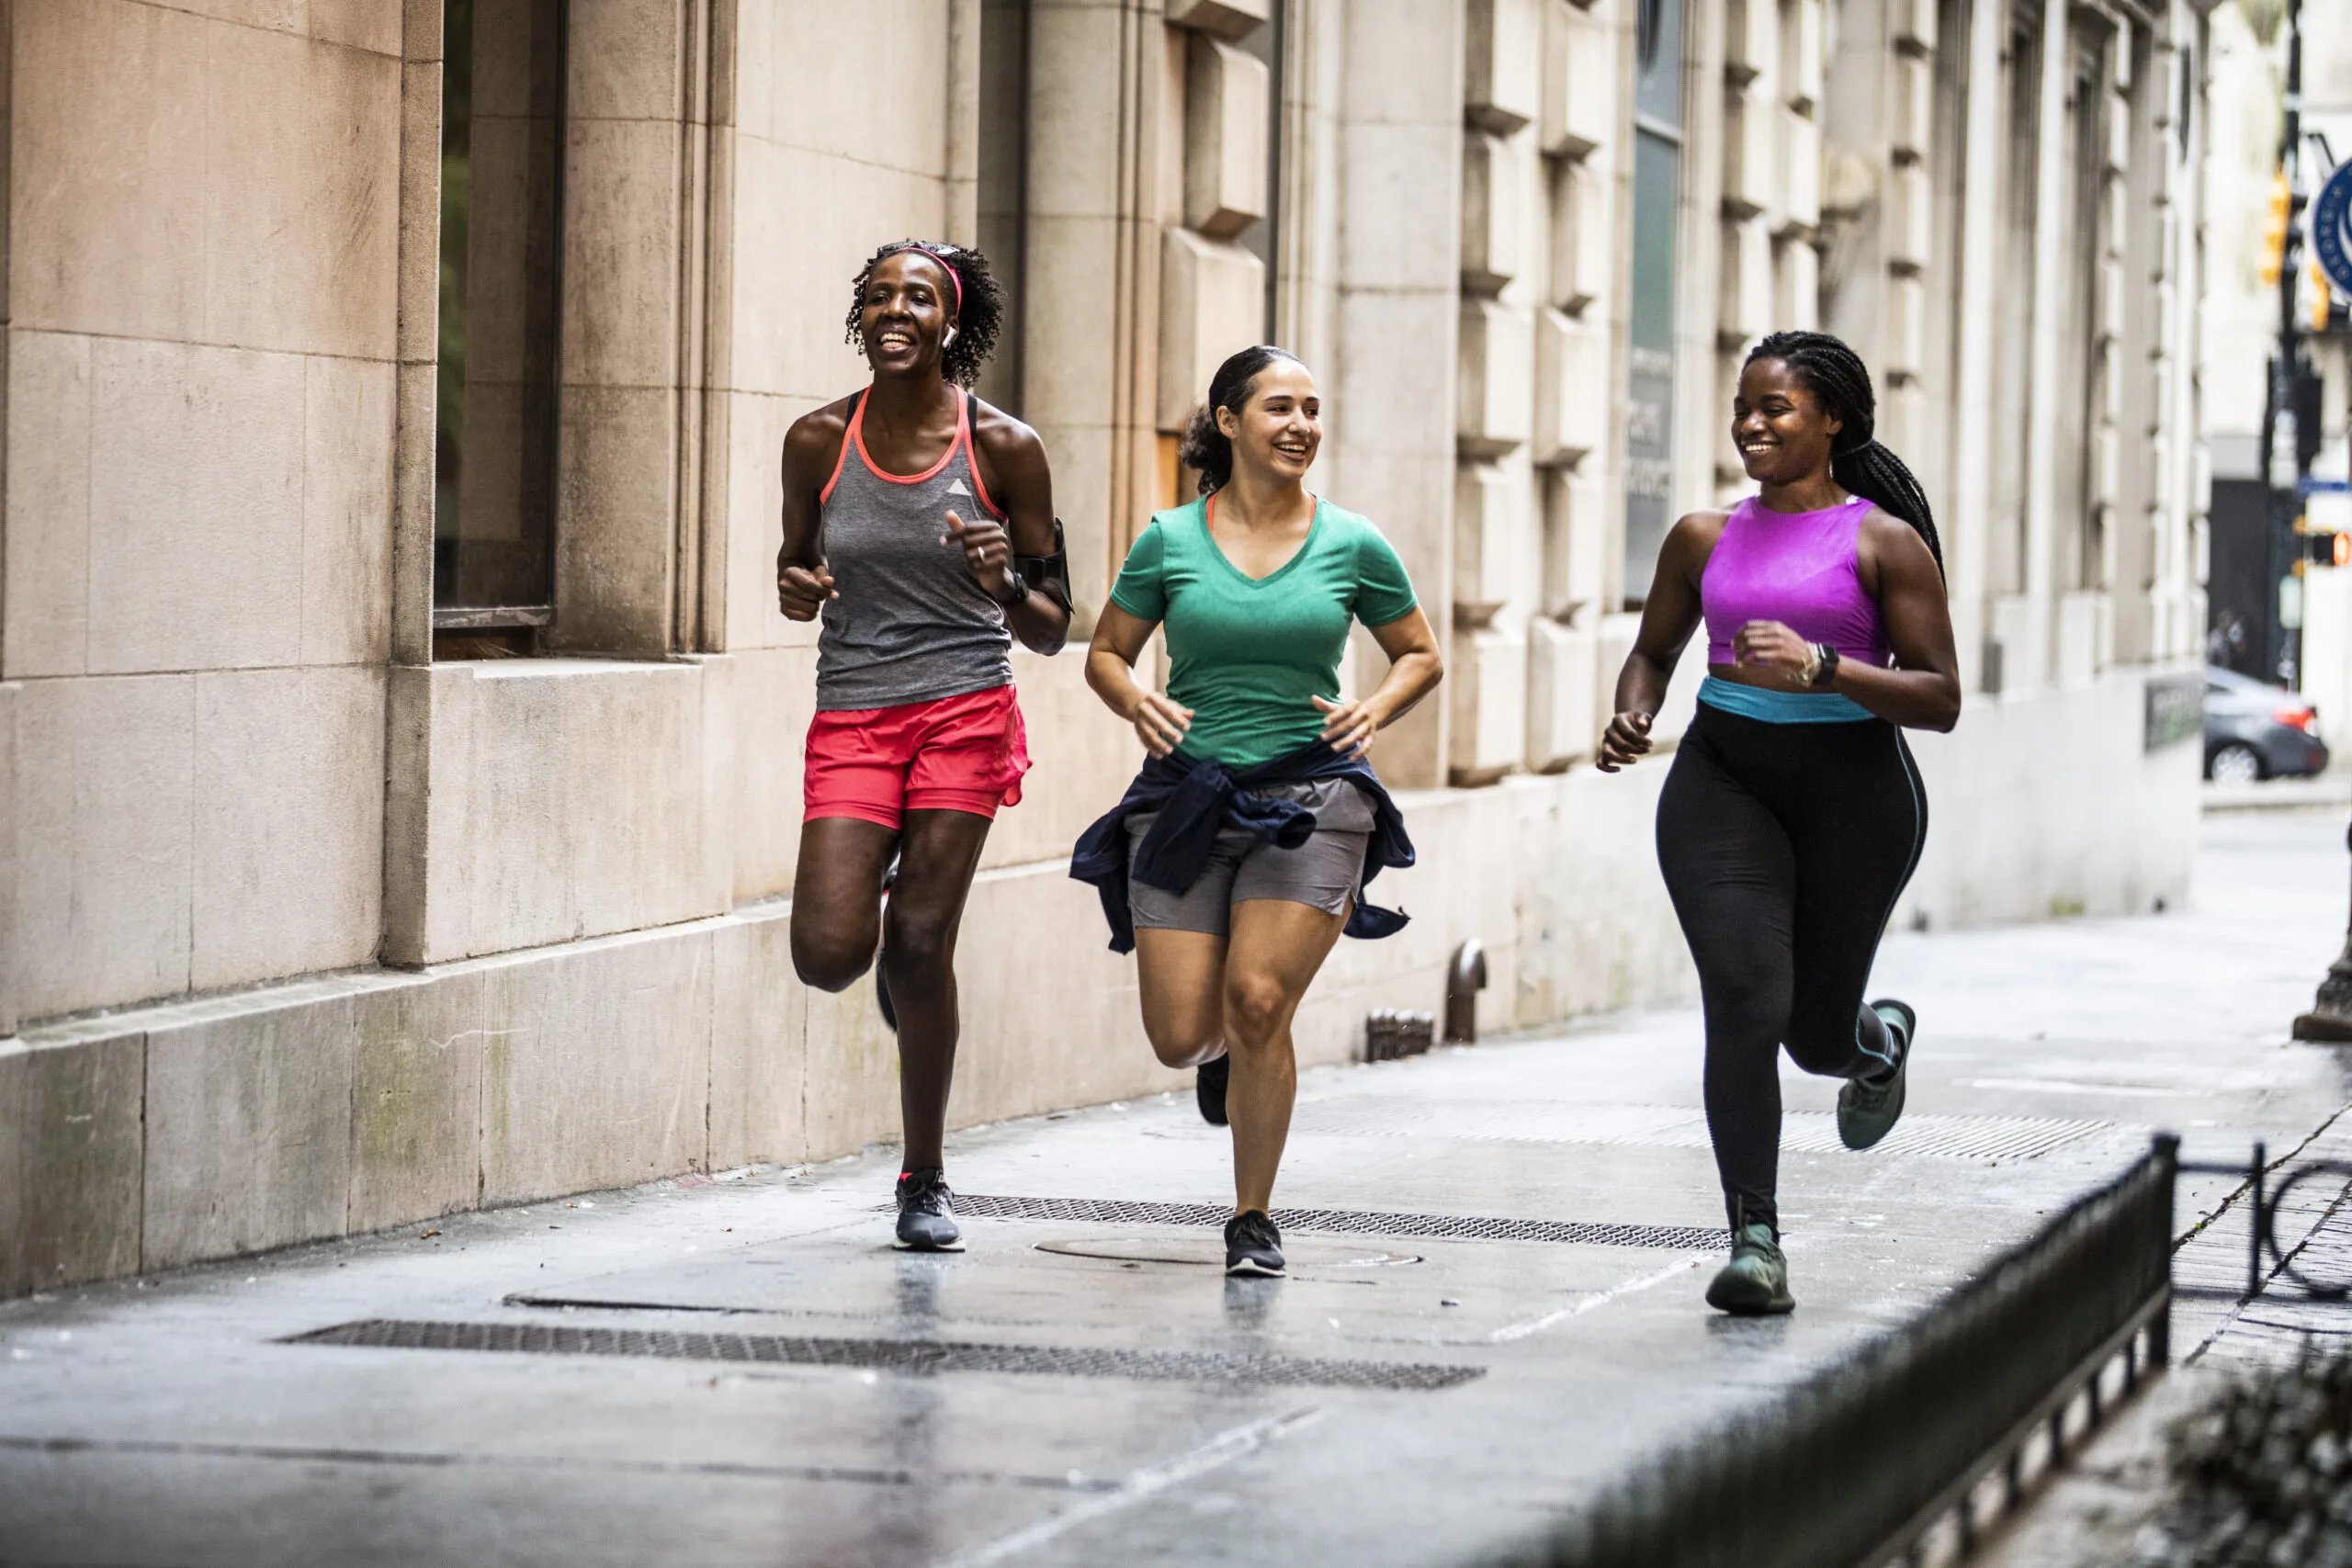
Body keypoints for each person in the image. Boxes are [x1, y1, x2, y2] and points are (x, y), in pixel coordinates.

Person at [1597, 330, 1961, 1316]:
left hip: (1856, 794)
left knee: (1812, 1035)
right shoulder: (1701, 537)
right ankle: (1753, 1239)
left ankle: (1872, 1041)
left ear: (1831, 418)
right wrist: (1634, 710)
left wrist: (1826, 668)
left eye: (1776, 409)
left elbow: (1939, 698)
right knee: (1746, 998)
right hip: (1724, 781)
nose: (1751, 425)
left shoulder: (1884, 542)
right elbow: (1653, 651)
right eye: (1742, 408)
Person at [1072, 344, 1443, 1278]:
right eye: (1280, 407)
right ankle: (1219, 1058)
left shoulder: (1352, 542)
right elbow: (1106, 652)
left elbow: (1420, 653)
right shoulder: (1168, 539)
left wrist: (1377, 707)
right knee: (1179, 1032)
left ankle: (1251, 1218)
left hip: (1314, 797)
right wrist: (1132, 700)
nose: (1301, 426)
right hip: (1189, 798)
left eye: (1312, 410)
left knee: (1258, 1000)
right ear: (1229, 421)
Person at [776, 240, 1071, 1252]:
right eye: (876, 296)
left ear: (949, 322)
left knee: (916, 946)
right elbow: (794, 566)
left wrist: (1001, 580)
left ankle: (923, 1176)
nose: (893, 310)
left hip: (963, 709)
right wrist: (794, 589)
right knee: (826, 955)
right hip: (855, 709)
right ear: (858, 317)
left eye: (916, 297)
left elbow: (1050, 624)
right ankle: (897, 922)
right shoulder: (817, 440)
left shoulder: (1005, 449)